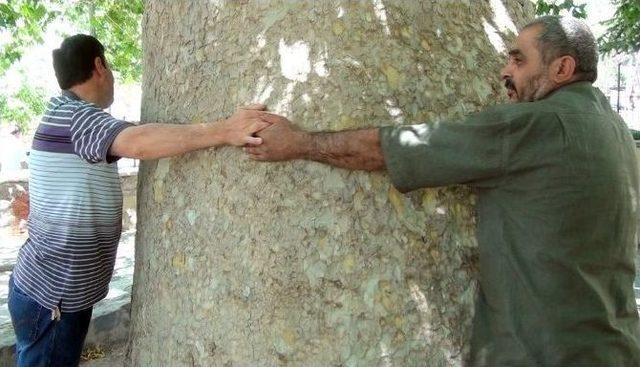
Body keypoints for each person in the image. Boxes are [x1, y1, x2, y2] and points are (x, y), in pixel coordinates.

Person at [245, 16, 640, 367]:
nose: (505, 71)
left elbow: (396, 148)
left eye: (519, 60)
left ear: (562, 68)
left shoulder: (536, 125)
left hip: (541, 354)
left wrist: (301, 143)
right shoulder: (617, 133)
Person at [8, 34, 270, 367]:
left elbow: (136, 133)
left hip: (48, 294)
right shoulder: (78, 118)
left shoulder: (69, 117)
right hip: (51, 299)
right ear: (99, 66)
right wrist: (225, 130)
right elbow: (140, 142)